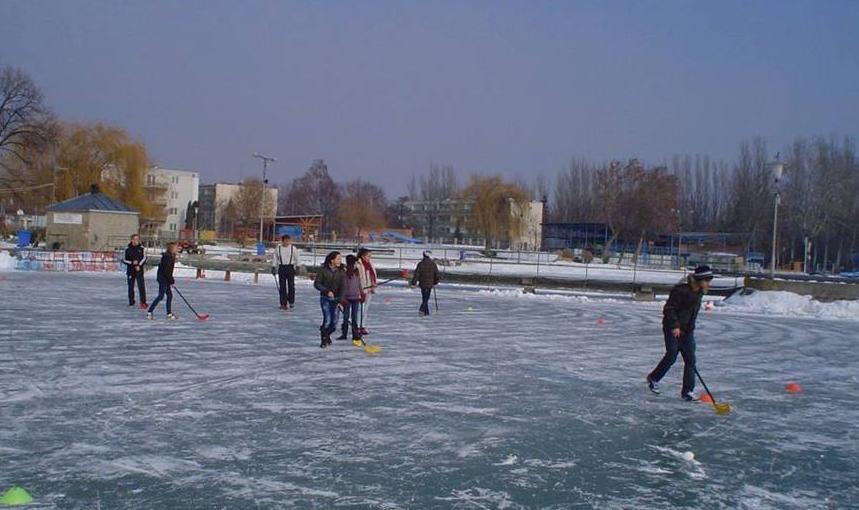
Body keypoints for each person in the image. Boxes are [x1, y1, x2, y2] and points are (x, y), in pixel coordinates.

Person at [646, 265, 714, 401]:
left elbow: (692, 314)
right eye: (706, 280)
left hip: (687, 331)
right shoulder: (681, 290)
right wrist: (675, 326)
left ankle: (688, 391)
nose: (708, 283)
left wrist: (689, 329)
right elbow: (669, 309)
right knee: (672, 354)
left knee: (691, 360)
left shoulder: (700, 291)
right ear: (699, 279)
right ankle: (653, 378)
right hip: (672, 327)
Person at [314, 251, 345, 348]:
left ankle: (327, 335)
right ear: (332, 260)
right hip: (325, 298)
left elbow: (343, 288)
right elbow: (317, 284)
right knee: (327, 320)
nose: (340, 261)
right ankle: (323, 339)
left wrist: (340, 301)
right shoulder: (323, 270)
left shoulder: (341, 271)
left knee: (334, 323)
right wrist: (326, 291)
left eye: (340, 259)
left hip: (336, 299)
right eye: (338, 259)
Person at [147, 243, 178, 320]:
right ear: (171, 248)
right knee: (161, 296)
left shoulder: (171, 256)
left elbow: (169, 271)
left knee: (169, 295)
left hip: (165, 278)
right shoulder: (167, 257)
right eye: (175, 248)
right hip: (163, 279)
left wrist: (170, 280)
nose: (177, 249)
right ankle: (149, 312)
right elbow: (167, 271)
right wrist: (171, 281)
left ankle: (169, 313)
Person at [340, 255, 365, 346]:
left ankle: (355, 335)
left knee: (355, 317)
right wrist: (342, 297)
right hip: (346, 298)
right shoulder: (344, 272)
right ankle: (344, 334)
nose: (356, 264)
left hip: (356, 298)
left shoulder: (357, 272)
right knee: (346, 317)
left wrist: (362, 294)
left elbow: (360, 284)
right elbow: (342, 286)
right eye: (355, 263)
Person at [271, 235, 301, 310]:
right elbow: (275, 258)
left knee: (291, 285)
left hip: (290, 267)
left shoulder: (293, 248)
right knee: (282, 286)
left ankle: (291, 301)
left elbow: (297, 258)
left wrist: (297, 267)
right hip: (282, 267)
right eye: (286, 241)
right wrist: (274, 267)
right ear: (283, 241)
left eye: (289, 240)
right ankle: (283, 303)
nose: (287, 242)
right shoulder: (278, 248)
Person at [410, 250, 440, 316]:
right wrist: (435, 282)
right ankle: (423, 310)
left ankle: (425, 311)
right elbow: (437, 274)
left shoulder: (420, 264)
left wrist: (413, 282)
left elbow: (417, 274)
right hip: (430, 284)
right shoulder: (433, 264)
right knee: (426, 298)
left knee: (424, 297)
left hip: (422, 283)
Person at [355, 248, 377, 335]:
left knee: (365, 309)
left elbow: (372, 276)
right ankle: (356, 325)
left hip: (369, 290)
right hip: (360, 290)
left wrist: (373, 284)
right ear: (363, 256)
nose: (369, 258)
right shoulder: (358, 264)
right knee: (360, 309)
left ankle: (362, 326)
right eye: (368, 256)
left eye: (370, 256)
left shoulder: (370, 264)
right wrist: (360, 288)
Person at [123, 233, 147, 307]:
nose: (136, 241)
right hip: (130, 270)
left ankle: (143, 302)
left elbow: (145, 258)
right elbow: (124, 259)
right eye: (134, 239)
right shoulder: (127, 249)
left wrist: (139, 265)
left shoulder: (142, 248)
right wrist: (132, 263)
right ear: (131, 240)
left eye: (137, 239)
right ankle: (131, 301)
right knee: (131, 286)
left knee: (141, 286)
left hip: (139, 270)